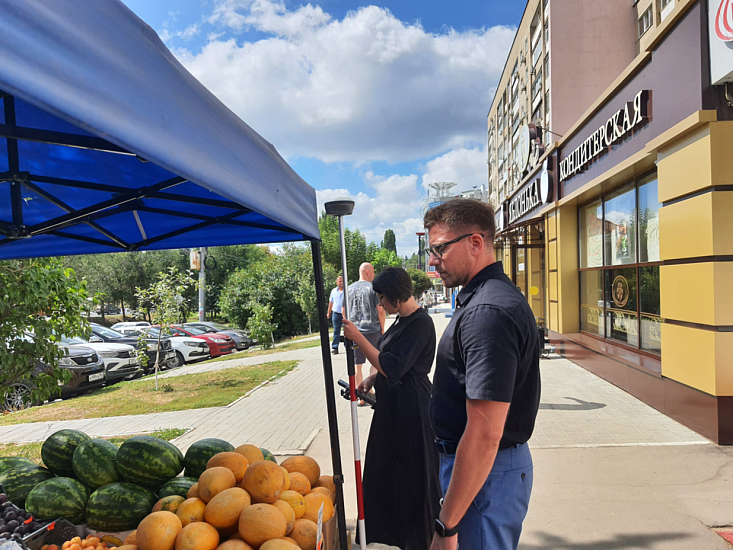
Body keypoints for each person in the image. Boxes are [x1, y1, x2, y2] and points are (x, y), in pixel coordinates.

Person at [424, 199, 540, 550]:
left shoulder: (487, 312)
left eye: (440, 248)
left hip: (483, 477)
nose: (432, 260)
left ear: (475, 243)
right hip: (484, 475)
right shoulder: (482, 300)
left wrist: (447, 526)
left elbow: (485, 432)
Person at [342, 267, 441, 550]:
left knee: (411, 476)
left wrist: (358, 338)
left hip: (411, 411)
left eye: (383, 298)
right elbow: (391, 360)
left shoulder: (421, 324)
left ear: (397, 298)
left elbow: (395, 366)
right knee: (384, 473)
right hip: (392, 409)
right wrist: (373, 377)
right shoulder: (401, 321)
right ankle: (390, 534)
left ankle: (415, 538)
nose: (380, 304)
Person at [346, 263, 385, 403]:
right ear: (367, 272)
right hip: (372, 330)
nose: (374, 274)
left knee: (358, 365)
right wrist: (382, 328)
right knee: (375, 362)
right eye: (373, 272)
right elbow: (380, 310)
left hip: (354, 332)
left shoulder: (348, 289)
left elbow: (344, 312)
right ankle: (371, 391)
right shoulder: (373, 289)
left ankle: (360, 395)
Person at [326, 275, 344, 354]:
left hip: (345, 313)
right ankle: (335, 347)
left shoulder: (347, 290)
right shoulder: (333, 291)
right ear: (337, 283)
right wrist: (328, 312)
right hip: (336, 313)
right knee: (336, 331)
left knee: (347, 330)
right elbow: (331, 302)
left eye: (342, 281)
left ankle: (347, 345)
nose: (341, 283)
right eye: (339, 281)